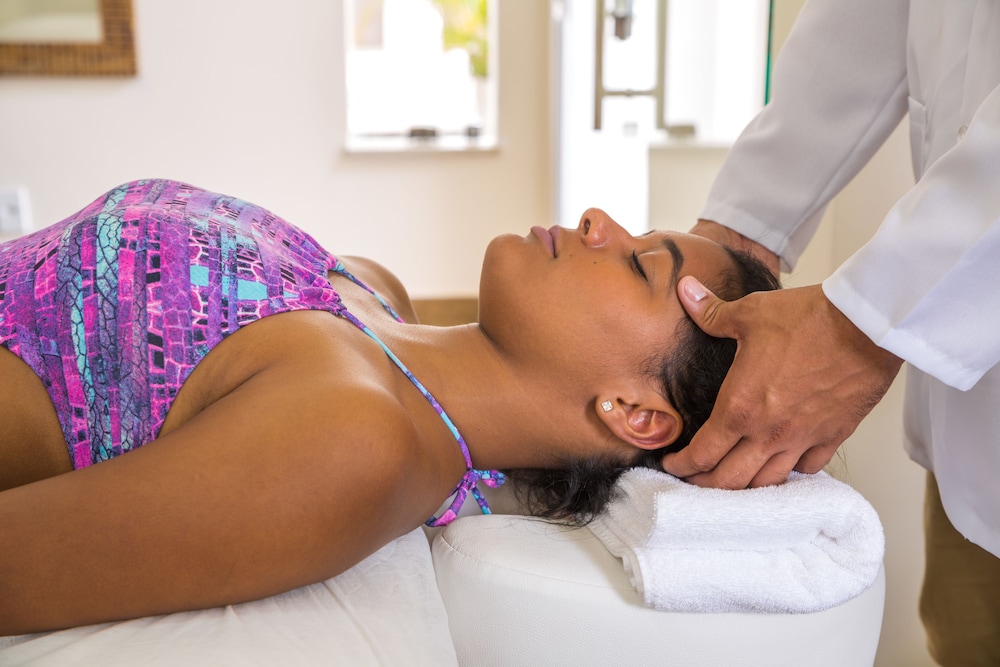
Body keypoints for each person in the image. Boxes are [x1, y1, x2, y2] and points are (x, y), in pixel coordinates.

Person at [0, 178, 777, 635]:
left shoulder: (359, 445)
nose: (596, 221)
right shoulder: (373, 289)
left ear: (635, 412)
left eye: (641, 264)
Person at [659, 0, 1000, 663]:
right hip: (974, 450)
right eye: (640, 263)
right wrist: (741, 229)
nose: (595, 223)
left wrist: (862, 325)